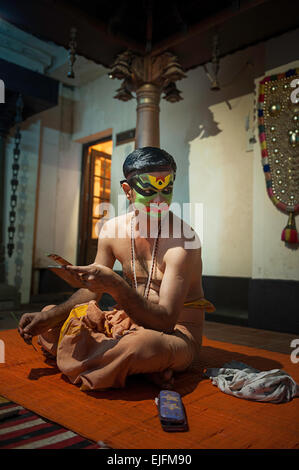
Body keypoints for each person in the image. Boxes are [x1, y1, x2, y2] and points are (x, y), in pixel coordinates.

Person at [18, 147, 215, 391]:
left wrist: (116, 285)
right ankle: (136, 368)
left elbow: (165, 322)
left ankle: (123, 361)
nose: (159, 201)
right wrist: (49, 317)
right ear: (127, 191)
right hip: (123, 323)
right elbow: (91, 292)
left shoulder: (184, 240)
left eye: (167, 190)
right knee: (53, 315)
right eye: (149, 191)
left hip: (175, 334)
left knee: (142, 346)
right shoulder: (112, 231)